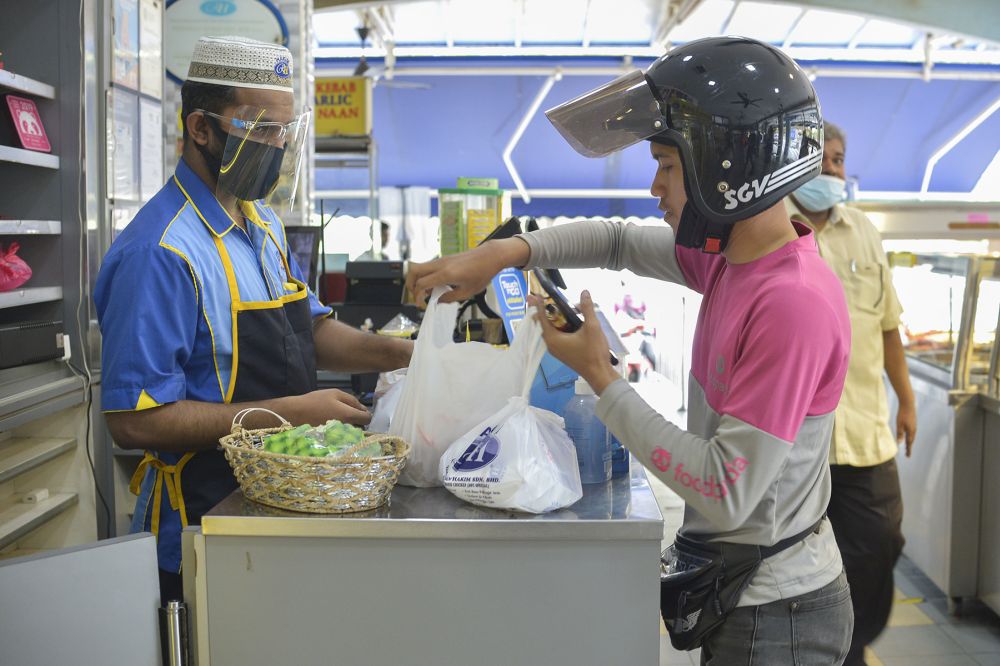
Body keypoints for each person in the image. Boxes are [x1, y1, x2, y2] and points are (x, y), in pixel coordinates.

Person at [408, 37, 854, 664]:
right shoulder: (731, 262)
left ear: (729, 163)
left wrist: (602, 378)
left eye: (669, 165)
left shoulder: (790, 302)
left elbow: (726, 489)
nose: (654, 186)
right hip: (749, 592)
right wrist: (507, 251)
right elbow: (617, 241)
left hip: (776, 613)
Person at [95, 36, 412, 601]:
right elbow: (135, 420)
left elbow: (309, 330)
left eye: (284, 132)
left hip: (278, 501)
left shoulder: (260, 222)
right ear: (201, 127)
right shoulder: (160, 253)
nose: (276, 146)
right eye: (260, 128)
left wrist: (410, 353)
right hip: (201, 523)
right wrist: (289, 415)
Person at [788, 122, 916, 665]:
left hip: (864, 434)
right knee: (795, 561)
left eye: (840, 160)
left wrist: (906, 400)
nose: (835, 171)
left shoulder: (864, 231)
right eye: (824, 160)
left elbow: (887, 324)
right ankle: (819, 651)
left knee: (878, 544)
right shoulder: (772, 229)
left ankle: (852, 645)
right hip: (795, 442)